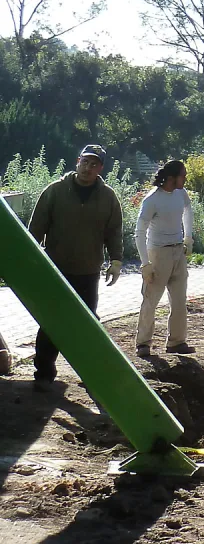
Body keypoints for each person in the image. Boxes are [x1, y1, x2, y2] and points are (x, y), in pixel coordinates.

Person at [27, 144, 123, 392]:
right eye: (85, 162)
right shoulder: (55, 191)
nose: (88, 168)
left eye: (94, 164)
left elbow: (114, 231)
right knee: (51, 322)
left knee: (87, 324)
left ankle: (90, 373)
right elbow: (35, 229)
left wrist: (116, 261)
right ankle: (44, 373)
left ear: (100, 168)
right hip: (56, 270)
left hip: (88, 271)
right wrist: (30, 261)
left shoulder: (108, 196)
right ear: (77, 161)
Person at [134, 160, 194, 357]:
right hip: (158, 253)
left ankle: (176, 342)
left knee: (179, 300)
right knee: (151, 300)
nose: (185, 179)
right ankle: (143, 343)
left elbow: (188, 210)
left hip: (178, 252)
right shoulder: (152, 200)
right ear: (171, 177)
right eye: (182, 175)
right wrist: (145, 264)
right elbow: (140, 231)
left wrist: (188, 237)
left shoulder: (180, 194)